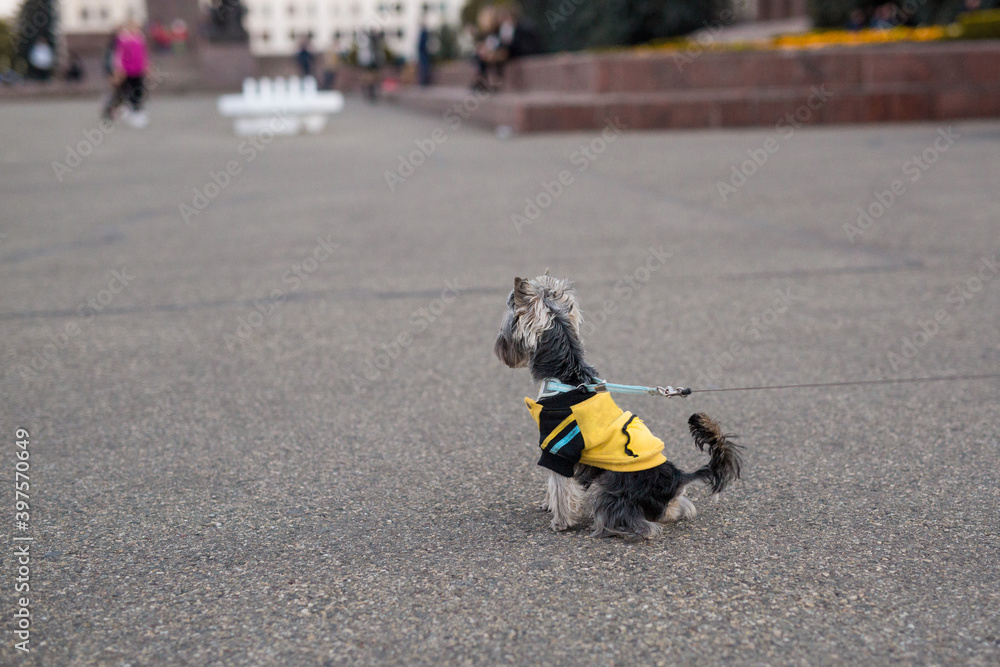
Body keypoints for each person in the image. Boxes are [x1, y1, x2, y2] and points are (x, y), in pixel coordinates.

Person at [103, 20, 150, 127]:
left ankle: (135, 111)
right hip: (125, 71)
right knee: (121, 93)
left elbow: (144, 55)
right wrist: (117, 70)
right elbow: (117, 56)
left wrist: (146, 67)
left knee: (137, 91)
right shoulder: (122, 40)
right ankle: (112, 111)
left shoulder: (140, 39)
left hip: (138, 71)